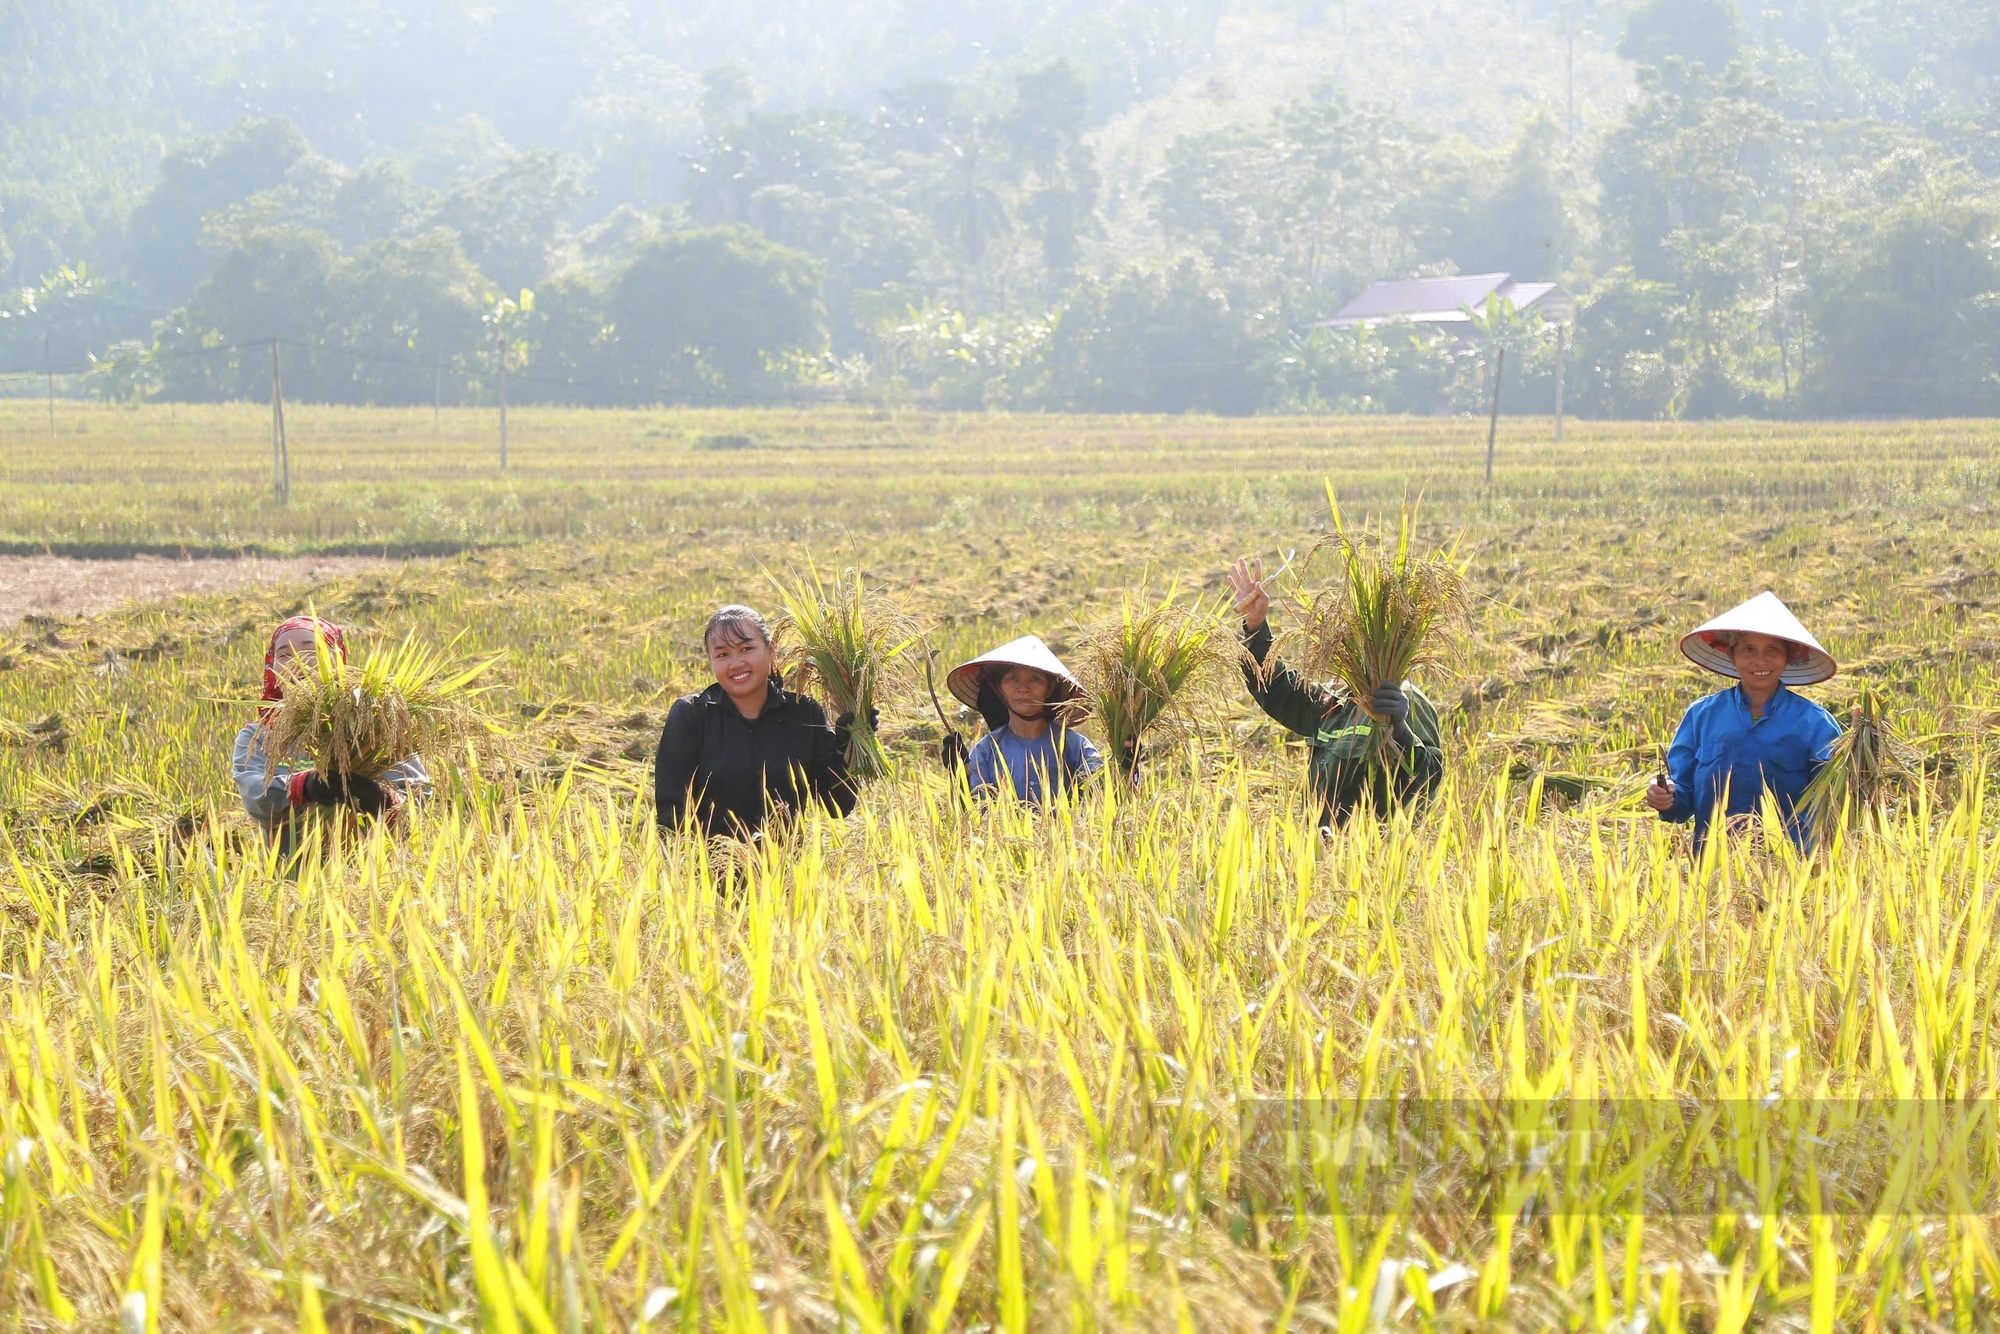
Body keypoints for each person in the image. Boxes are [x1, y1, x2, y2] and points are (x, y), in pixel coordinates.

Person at [1225, 556, 1445, 828]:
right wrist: (1255, 624)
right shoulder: (1334, 702)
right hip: (1321, 856)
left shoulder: (1404, 700)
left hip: (1380, 858)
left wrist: (1399, 729)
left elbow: (1429, 778)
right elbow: (1276, 688)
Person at [1646, 592, 1842, 851]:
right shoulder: (1701, 716)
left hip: (1790, 871)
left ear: (1787, 657)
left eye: (1772, 649)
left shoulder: (1815, 724)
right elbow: (1681, 801)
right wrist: (1664, 796)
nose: (1760, 660)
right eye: (1749, 649)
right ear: (1732, 655)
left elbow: (1836, 803)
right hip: (1713, 870)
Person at [654, 605, 860, 839]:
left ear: (770, 651)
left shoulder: (805, 715)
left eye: (746, 648)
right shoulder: (690, 715)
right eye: (722, 654)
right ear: (710, 661)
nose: (735, 663)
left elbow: (837, 806)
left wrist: (849, 745)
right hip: (710, 870)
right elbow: (671, 814)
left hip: (788, 870)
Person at [233, 615, 430, 851]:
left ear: (337, 661)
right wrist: (305, 786)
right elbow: (255, 796)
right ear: (273, 668)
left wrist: (381, 798)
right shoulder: (260, 737)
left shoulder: (375, 726)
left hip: (373, 877)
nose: (297, 662)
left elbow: (419, 801)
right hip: (293, 878)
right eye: (284, 655)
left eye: (312, 651)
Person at [946, 636, 1104, 804]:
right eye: (1013, 679)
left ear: (1049, 689)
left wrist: (1127, 761)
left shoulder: (1074, 745)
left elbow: (1103, 793)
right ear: (1000, 689)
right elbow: (976, 811)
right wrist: (959, 776)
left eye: (1035, 679)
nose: (1023, 688)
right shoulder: (987, 750)